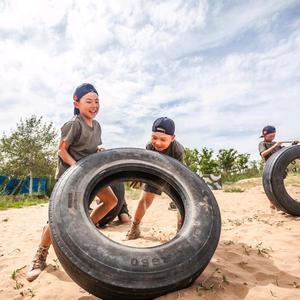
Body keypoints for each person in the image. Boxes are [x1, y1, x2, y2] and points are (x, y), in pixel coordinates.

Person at [26, 83, 118, 282]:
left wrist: (99, 152)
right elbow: (62, 150)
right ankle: (40, 256)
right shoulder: (73, 124)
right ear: (76, 103)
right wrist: (76, 167)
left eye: (97, 101)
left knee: (111, 201)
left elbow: (91, 148)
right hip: (70, 175)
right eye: (89, 101)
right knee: (57, 220)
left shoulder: (98, 126)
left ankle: (85, 230)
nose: (94, 105)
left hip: (89, 174)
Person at [126, 117, 185, 240]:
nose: (157, 143)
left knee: (181, 204)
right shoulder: (149, 146)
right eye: (154, 137)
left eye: (163, 139)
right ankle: (134, 227)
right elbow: (148, 164)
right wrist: (140, 176)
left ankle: (181, 231)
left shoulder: (178, 150)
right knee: (144, 200)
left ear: (172, 138)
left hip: (174, 175)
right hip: (156, 174)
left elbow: (180, 172)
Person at [259, 125, 299, 210]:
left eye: (274, 136)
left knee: (278, 187)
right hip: (269, 169)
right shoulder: (262, 143)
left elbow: (284, 152)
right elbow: (263, 154)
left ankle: (279, 204)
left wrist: (293, 145)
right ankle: (273, 204)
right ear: (265, 135)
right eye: (270, 136)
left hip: (278, 169)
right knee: (270, 187)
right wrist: (275, 145)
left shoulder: (275, 144)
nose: (272, 137)